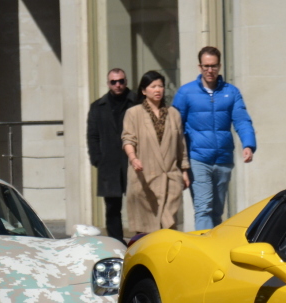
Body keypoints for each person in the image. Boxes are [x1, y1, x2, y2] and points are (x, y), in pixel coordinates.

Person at [173, 46, 256, 230]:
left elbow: (242, 120)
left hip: (223, 159)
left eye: (213, 66)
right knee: (203, 208)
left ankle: (213, 249)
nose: (209, 70)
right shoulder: (186, 93)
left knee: (217, 212)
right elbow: (175, 126)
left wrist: (248, 144)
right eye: (205, 66)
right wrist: (180, 159)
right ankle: (203, 251)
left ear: (219, 66)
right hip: (198, 159)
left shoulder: (231, 92)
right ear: (199, 66)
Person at [121, 71, 189, 236]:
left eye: (160, 86)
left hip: (170, 178)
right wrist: (133, 158)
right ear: (144, 91)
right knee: (145, 231)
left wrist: (185, 171)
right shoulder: (134, 113)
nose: (158, 90)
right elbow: (128, 139)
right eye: (153, 86)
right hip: (145, 179)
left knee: (168, 229)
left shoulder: (173, 114)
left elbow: (181, 145)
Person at [86, 68, 134, 241]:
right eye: (114, 82)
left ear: (126, 81)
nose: (118, 85)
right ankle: (117, 244)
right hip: (109, 164)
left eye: (121, 81)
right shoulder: (98, 106)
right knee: (112, 209)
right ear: (108, 84)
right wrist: (97, 159)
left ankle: (140, 243)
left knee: (137, 205)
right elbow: (92, 136)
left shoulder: (136, 102)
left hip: (132, 162)